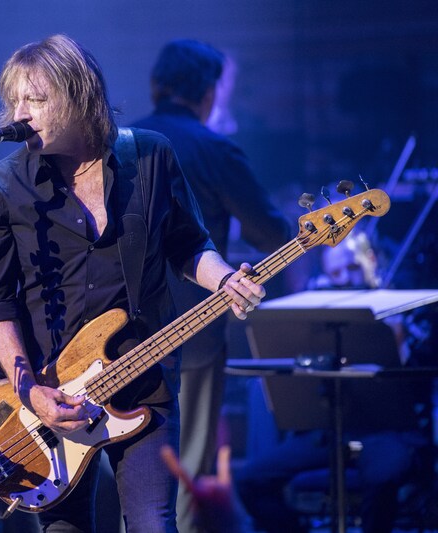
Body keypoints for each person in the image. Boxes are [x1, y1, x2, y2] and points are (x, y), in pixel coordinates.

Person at [0, 34, 266, 532]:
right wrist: (31, 393)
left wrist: (225, 281)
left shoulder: (149, 157)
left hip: (141, 378)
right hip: (52, 394)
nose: (20, 115)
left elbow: (188, 245)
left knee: (153, 523)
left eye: (35, 100)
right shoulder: (3, 186)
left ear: (78, 96)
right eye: (14, 101)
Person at [131, 39, 291, 533]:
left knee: (127, 473)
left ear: (156, 85)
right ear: (209, 93)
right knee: (186, 477)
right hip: (194, 336)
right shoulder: (214, 148)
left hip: (120, 338)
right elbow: (274, 234)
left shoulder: (123, 141)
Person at [233, 239, 432, 533]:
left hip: (389, 431)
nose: (346, 278)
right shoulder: (321, 316)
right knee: (251, 480)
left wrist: (399, 339)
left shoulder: (402, 311)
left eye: (353, 267)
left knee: (382, 474)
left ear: (371, 262)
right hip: (329, 431)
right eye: (336, 273)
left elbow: (418, 381)